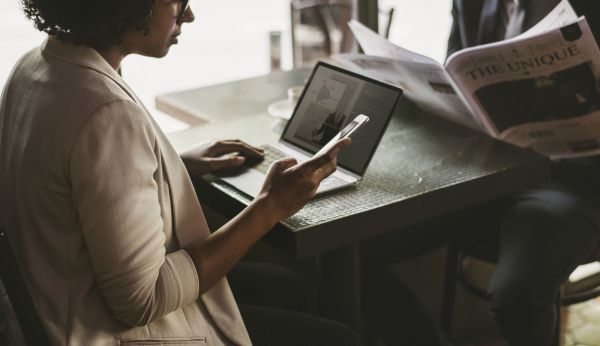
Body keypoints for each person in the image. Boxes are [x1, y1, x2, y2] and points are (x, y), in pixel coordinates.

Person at [0, 0, 363, 345]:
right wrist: (270, 206)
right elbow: (143, 300)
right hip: (105, 332)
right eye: (176, 0)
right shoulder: (107, 113)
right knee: (340, 340)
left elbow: (75, 181)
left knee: (285, 286)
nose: (188, 15)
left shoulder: (35, 66)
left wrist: (166, 167)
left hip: (54, 309)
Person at [448, 0, 600, 344]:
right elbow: (452, 73)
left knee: (518, 294)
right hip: (481, 169)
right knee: (369, 242)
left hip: (572, 179)